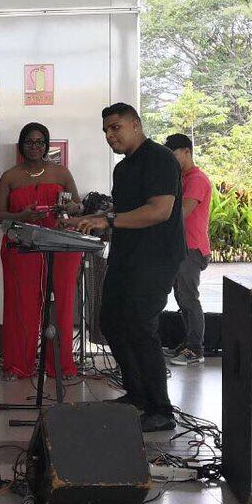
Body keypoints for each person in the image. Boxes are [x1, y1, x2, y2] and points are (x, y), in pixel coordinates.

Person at [69, 104, 184, 433]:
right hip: (126, 256)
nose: (110, 135)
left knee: (139, 325)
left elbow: (159, 211)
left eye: (116, 127)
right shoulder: (123, 169)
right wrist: (90, 221)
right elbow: (124, 214)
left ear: (136, 125)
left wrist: (108, 219)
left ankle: (160, 409)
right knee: (111, 322)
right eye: (106, 130)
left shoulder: (160, 158)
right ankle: (136, 397)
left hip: (156, 257)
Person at [0, 123, 82, 380]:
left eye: (40, 142)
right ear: (21, 145)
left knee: (60, 306)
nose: (35, 147)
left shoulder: (61, 173)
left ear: (46, 145)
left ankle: (60, 365)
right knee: (21, 306)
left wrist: (68, 209)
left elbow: (76, 205)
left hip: (58, 248)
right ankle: (18, 366)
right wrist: (21, 215)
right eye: (29, 142)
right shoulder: (10, 176)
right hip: (21, 248)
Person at [164, 133, 212, 367]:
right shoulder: (180, 178)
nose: (171, 159)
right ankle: (188, 344)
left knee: (188, 299)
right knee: (181, 297)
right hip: (178, 248)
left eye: (173, 154)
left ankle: (195, 349)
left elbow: (182, 213)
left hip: (191, 249)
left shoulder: (196, 180)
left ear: (186, 152)